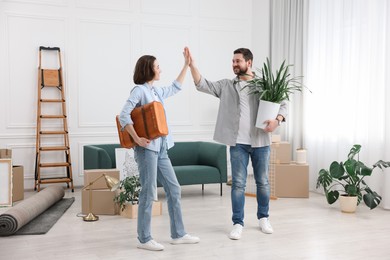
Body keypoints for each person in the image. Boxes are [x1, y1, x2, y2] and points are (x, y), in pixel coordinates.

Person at [187, 48, 287, 240]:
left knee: (263, 183)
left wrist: (278, 120)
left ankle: (264, 218)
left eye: (237, 61)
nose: (234, 64)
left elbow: (282, 103)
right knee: (238, 184)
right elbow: (202, 84)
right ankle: (237, 223)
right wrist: (192, 65)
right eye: (232, 61)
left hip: (261, 142)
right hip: (237, 143)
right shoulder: (227, 86)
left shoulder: (265, 85)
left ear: (249, 63)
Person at [119, 47, 200, 251]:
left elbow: (174, 87)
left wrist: (186, 65)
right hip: (147, 150)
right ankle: (144, 239)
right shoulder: (139, 90)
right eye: (157, 66)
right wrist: (137, 139)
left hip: (162, 148)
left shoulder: (154, 90)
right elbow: (123, 115)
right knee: (148, 192)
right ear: (149, 69)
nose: (160, 70)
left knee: (174, 189)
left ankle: (178, 234)